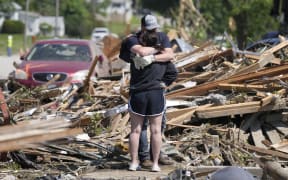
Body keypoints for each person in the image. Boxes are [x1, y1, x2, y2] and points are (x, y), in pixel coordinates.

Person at [119, 14, 175, 172]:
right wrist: (158, 50)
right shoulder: (141, 39)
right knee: (155, 130)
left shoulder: (136, 39)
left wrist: (152, 58)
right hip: (155, 91)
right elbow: (146, 52)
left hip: (139, 91)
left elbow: (167, 55)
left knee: (136, 130)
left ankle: (135, 162)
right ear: (144, 27)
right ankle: (154, 164)